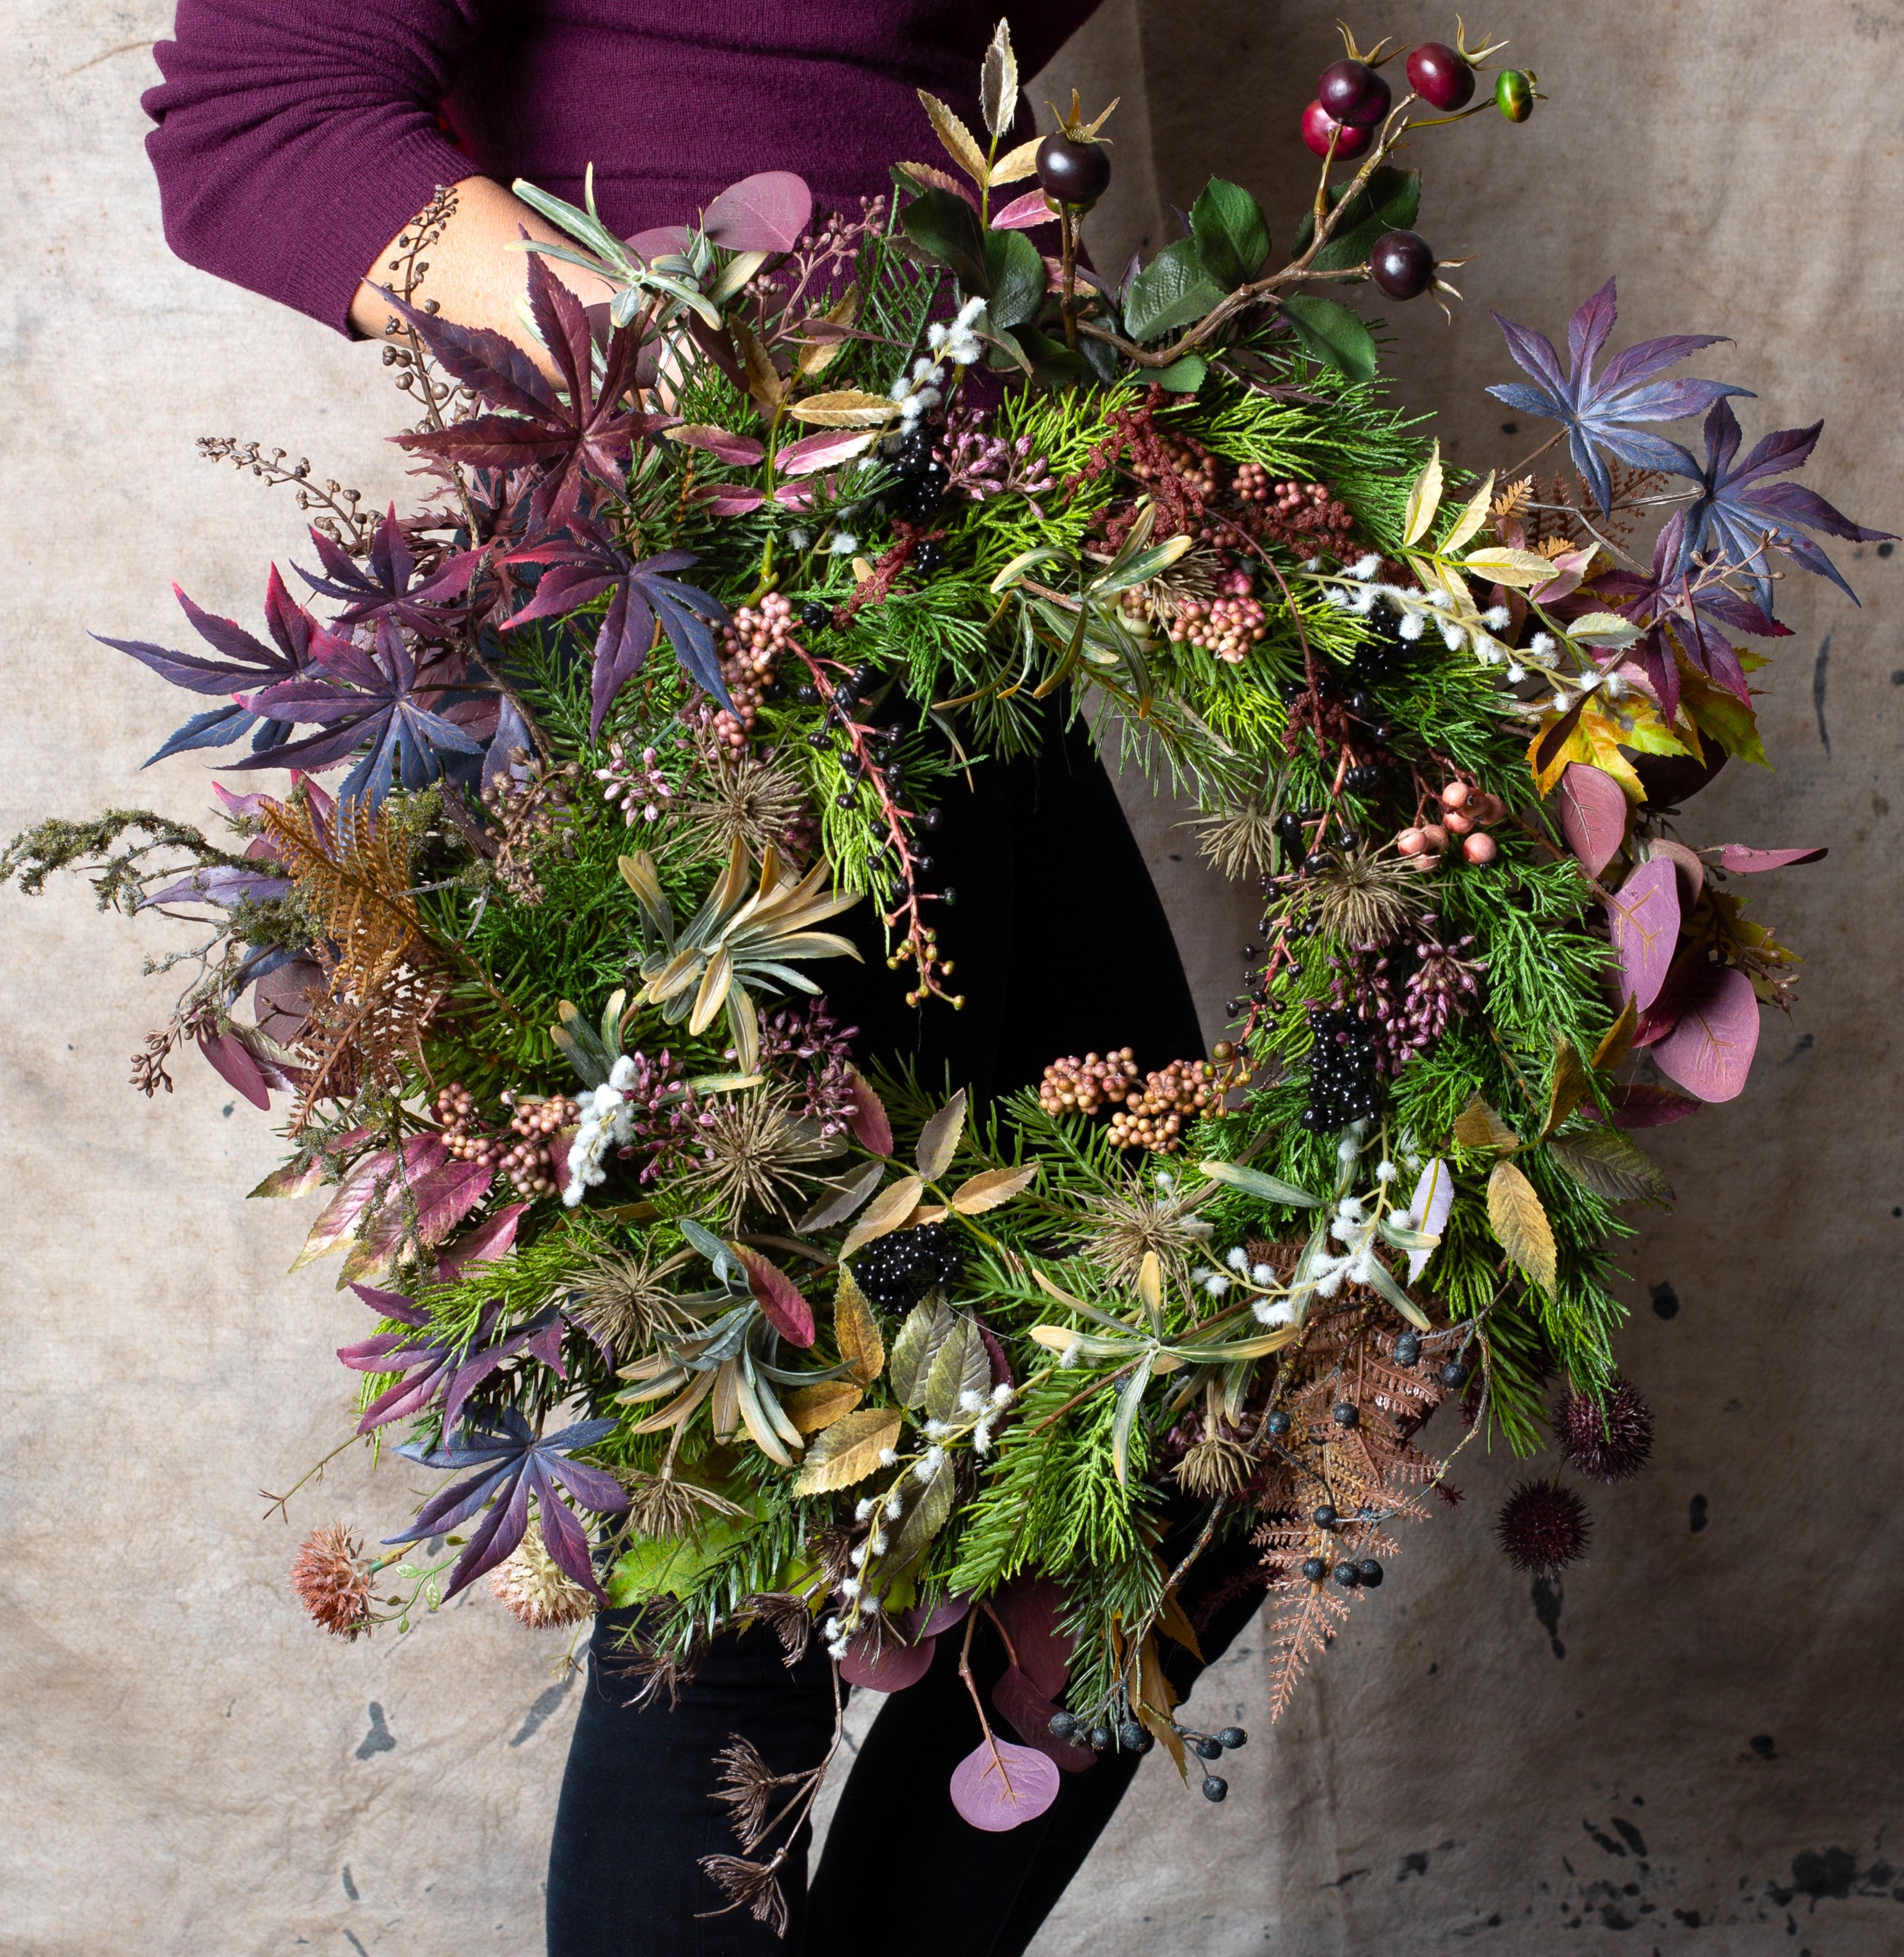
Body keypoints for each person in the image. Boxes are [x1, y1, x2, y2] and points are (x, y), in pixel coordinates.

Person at [143, 8, 1265, 1952]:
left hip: (949, 583)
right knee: (751, 1570)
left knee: (1170, 1444)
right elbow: (254, 115)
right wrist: (700, 374)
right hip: (713, 629)